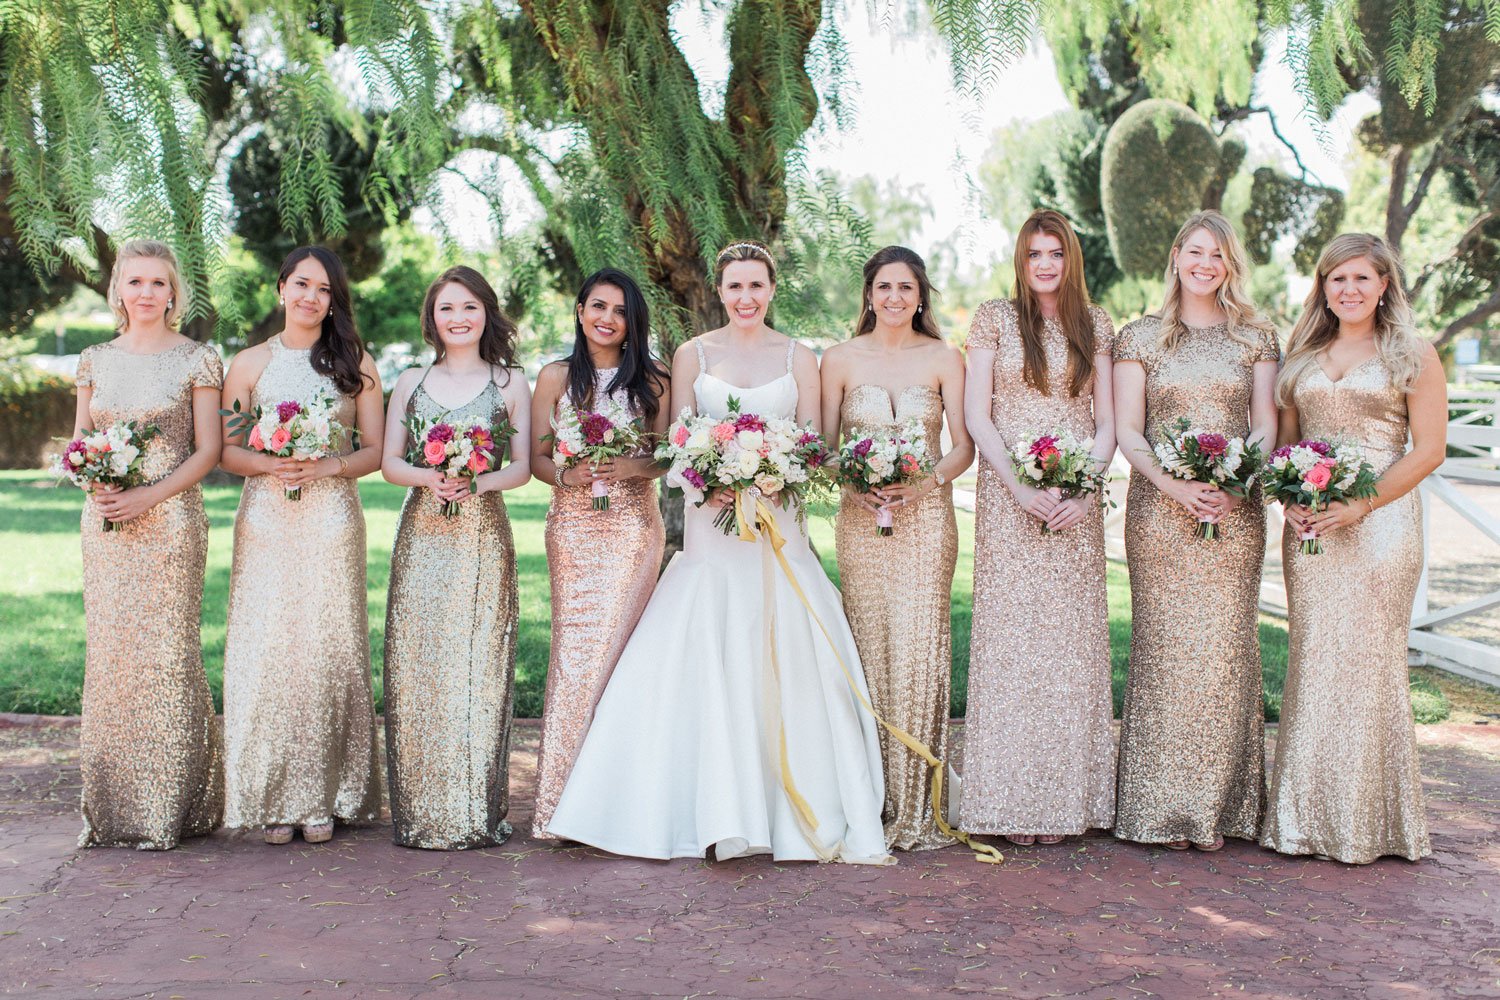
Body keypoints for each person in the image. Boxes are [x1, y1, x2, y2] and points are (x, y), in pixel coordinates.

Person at [545, 240, 889, 864]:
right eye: (735, 287)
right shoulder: (691, 354)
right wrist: (716, 476)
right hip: (710, 526)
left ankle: (786, 804)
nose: (746, 298)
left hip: (778, 526)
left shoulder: (800, 356)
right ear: (720, 290)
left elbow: (811, 445)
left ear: (772, 290)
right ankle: (692, 806)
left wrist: (774, 473)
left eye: (756, 286)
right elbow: (674, 447)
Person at [1260, 234, 1444, 864]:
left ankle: (1369, 821)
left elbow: (1428, 450)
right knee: (1315, 657)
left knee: (1369, 662)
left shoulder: (1414, 353)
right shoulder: (1304, 353)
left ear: (1385, 284)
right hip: (1311, 527)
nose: (1349, 290)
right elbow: (1287, 441)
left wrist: (1359, 505)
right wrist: (1290, 499)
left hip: (1382, 524)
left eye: (1361, 278)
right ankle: (1304, 819)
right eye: (1336, 279)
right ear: (1323, 287)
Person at [1112, 211, 1279, 852]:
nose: (1206, 265)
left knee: (1224, 648)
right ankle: (1159, 806)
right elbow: (1130, 427)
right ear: (1177, 255)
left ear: (1229, 265)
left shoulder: (1256, 339)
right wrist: (1176, 485)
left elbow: (1264, 422)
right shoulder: (1142, 337)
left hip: (1236, 510)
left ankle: (1222, 809)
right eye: (1196, 252)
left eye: (1219, 255)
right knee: (1164, 647)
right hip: (1161, 511)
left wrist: (1237, 480)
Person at [960, 210, 1118, 846]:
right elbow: (978, 413)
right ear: (1021, 262)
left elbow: (1106, 422)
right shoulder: (995, 319)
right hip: (1010, 500)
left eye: (1056, 252)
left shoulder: (1097, 324)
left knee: (1068, 648)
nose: (1046, 264)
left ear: (1070, 258)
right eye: (1034, 254)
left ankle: (1066, 803)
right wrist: (1020, 487)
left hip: (1076, 503)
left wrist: (1085, 489)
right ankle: (1008, 802)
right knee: (1012, 644)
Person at [219, 246, 385, 845]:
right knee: (267, 645)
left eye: (325, 290)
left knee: (325, 643)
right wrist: (272, 463)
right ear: (281, 288)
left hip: (331, 519)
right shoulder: (247, 364)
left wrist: (326, 466)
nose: (312, 298)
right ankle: (270, 793)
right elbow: (227, 449)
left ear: (334, 300)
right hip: (266, 518)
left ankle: (323, 793)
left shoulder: (355, 363)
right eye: (303, 285)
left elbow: (374, 449)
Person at [72, 239, 225, 849]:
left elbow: (209, 451)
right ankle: (111, 810)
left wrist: (149, 495)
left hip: (171, 522)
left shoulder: (199, 358)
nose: (145, 293)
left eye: (157, 283)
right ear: (118, 290)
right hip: (105, 522)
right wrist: (94, 480)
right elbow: (82, 439)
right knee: (112, 653)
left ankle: (170, 805)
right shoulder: (92, 359)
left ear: (173, 293)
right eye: (134, 282)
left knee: (165, 652)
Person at [820, 245, 971, 851]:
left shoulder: (943, 357)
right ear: (868, 293)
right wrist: (851, 482)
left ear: (920, 295)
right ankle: (868, 797)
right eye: (884, 287)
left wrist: (927, 480)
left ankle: (916, 804)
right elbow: (821, 446)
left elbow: (963, 446)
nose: (894, 298)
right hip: (859, 524)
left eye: (906, 288)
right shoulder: (837, 359)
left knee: (918, 651)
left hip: (927, 522)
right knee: (866, 648)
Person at [380, 266, 532, 849]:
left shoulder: (509, 381)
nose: (459, 318)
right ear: (432, 319)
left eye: (469, 306)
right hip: (422, 533)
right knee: (420, 661)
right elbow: (392, 462)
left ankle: (473, 809)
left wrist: (477, 482)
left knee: (477, 664)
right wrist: (432, 476)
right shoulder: (411, 380)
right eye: (447, 308)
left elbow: (521, 468)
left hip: (482, 536)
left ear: (487, 312)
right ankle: (421, 811)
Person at [529, 268, 669, 839]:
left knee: (623, 657)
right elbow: (539, 460)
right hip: (572, 528)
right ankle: (561, 805)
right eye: (597, 306)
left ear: (633, 321)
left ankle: (619, 803)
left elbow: (666, 456)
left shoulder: (653, 380)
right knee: (575, 653)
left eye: (619, 310)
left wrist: (630, 466)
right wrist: (571, 472)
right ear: (580, 310)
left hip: (634, 527)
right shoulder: (555, 378)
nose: (606, 319)